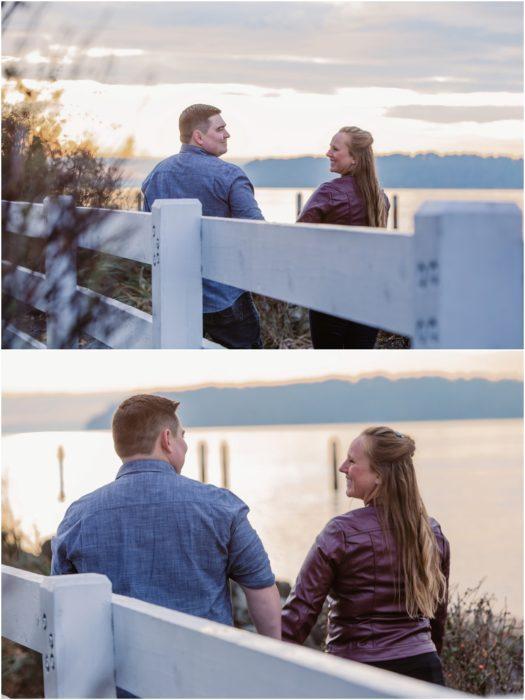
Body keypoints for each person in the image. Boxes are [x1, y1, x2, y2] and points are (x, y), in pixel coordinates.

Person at [51, 394, 281, 639]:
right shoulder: (221, 507)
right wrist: (273, 660)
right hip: (206, 669)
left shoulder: (78, 516)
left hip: (115, 672)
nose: (185, 444)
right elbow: (261, 590)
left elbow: (61, 601)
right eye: (182, 435)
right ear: (167, 440)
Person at [282, 426, 449, 685]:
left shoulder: (341, 533)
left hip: (356, 674)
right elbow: (437, 617)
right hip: (424, 670)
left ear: (380, 475)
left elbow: (299, 616)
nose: (341, 467)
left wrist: (257, 659)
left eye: (352, 460)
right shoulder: (431, 532)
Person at [142, 104, 264, 349]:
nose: (227, 134)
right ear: (198, 137)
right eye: (220, 129)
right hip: (224, 298)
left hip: (173, 298)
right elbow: (258, 233)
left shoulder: (156, 175)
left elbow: (149, 238)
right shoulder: (229, 175)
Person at [298, 127, 389, 349]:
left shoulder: (329, 193)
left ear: (355, 159)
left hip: (331, 295)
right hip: (369, 297)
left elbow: (297, 240)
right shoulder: (380, 198)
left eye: (335, 149)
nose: (328, 153)